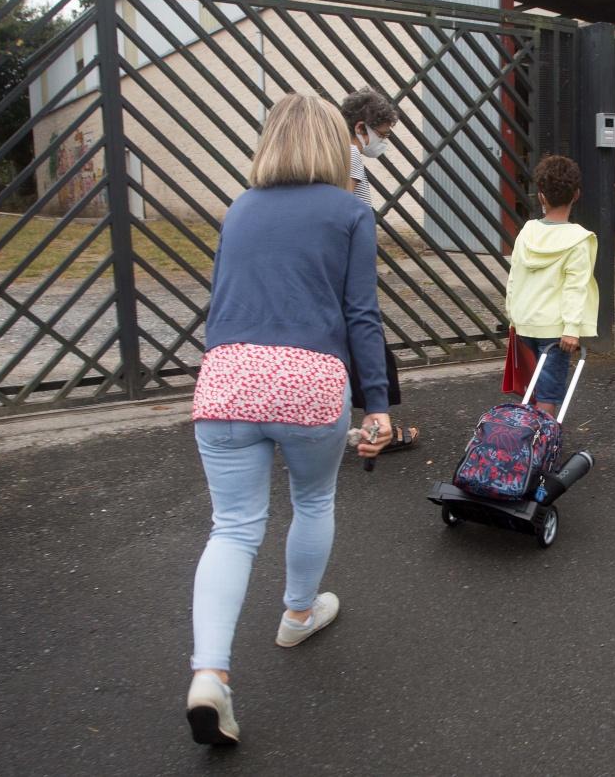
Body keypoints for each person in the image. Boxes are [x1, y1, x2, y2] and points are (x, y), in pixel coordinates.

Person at [185, 92, 393, 746]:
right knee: (312, 496)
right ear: (338, 144)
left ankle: (210, 675)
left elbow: (221, 301)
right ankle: (298, 613)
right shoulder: (351, 213)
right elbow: (362, 314)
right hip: (309, 381)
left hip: (226, 376)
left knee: (233, 528)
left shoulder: (237, 209)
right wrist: (378, 404)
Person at [338, 87, 419, 452]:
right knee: (366, 347)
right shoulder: (350, 157)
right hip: (348, 271)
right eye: (382, 135)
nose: (382, 144)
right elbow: (341, 211)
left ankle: (368, 427)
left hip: (345, 268)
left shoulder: (337, 156)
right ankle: (375, 430)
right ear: (361, 127)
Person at [505, 155, 598, 418]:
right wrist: (572, 328)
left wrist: (512, 314)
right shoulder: (580, 239)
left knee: (530, 387)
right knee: (548, 392)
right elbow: (575, 287)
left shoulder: (527, 231)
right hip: (555, 331)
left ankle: (525, 442)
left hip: (524, 322)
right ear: (576, 195)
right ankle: (541, 448)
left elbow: (515, 276)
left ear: (541, 196)